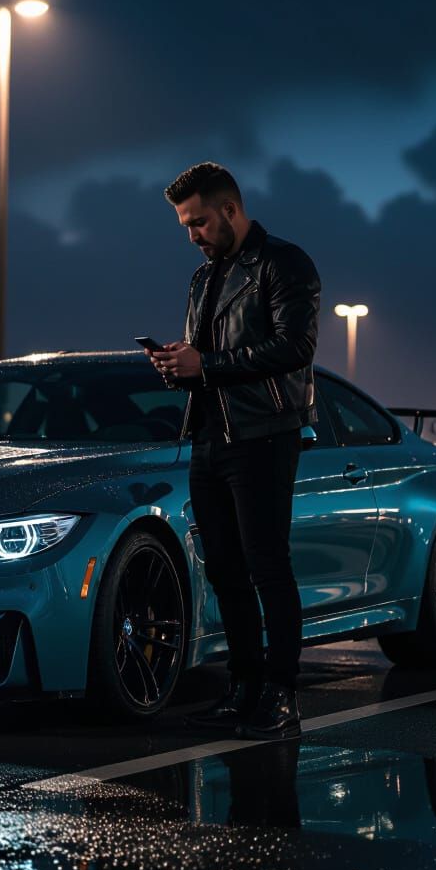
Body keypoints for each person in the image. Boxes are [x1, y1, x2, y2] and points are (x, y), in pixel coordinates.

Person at [146, 162, 321, 739]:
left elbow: (294, 346)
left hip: (265, 435)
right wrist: (179, 363)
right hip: (209, 437)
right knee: (224, 570)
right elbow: (206, 356)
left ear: (229, 208)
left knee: (267, 565)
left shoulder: (283, 263)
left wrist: (209, 365)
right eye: (184, 227)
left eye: (198, 222)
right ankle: (243, 688)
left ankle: (281, 695)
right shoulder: (202, 278)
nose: (192, 234)